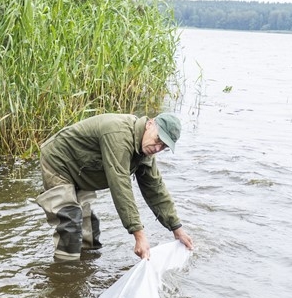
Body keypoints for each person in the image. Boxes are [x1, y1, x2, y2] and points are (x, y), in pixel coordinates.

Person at [35, 112, 194, 262]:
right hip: (58, 161)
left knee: (89, 226)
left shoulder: (146, 152)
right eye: (158, 139)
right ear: (150, 124)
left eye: (163, 146)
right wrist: (139, 235)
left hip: (82, 169)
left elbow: (156, 190)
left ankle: (84, 269)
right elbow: (120, 184)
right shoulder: (119, 134)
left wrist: (176, 228)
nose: (157, 148)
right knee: (70, 223)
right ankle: (65, 278)